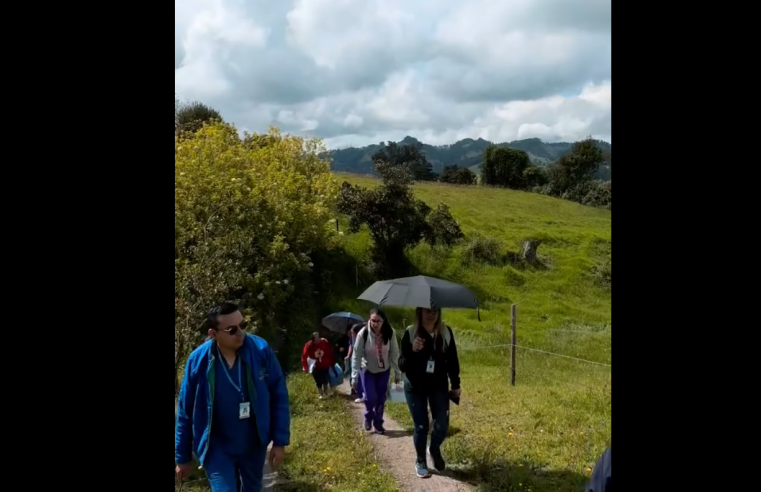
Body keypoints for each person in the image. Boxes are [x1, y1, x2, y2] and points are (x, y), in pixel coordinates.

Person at [175, 302, 290, 492]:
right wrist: (182, 457)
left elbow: (279, 396)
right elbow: (185, 410)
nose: (240, 333)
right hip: (216, 447)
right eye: (232, 329)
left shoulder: (260, 351)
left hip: (253, 444)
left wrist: (279, 441)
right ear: (213, 334)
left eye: (243, 325)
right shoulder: (198, 361)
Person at [398, 307, 460, 478]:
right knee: (421, 425)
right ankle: (420, 460)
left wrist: (456, 384)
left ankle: (433, 449)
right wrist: (412, 350)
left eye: (435, 311)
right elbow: (402, 364)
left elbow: (453, 360)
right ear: (420, 312)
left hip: (438, 385)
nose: (432, 314)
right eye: (428, 311)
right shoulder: (411, 333)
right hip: (415, 386)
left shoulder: (445, 332)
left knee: (442, 425)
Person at [351, 307, 400, 434]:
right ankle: (368, 416)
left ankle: (378, 423)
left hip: (384, 370)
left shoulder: (390, 332)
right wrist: (354, 375)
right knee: (370, 397)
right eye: (373, 320)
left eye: (378, 321)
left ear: (383, 321)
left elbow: (395, 352)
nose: (375, 324)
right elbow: (356, 354)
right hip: (367, 369)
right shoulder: (363, 333)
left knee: (381, 398)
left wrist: (397, 372)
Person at [301, 331, 336, 399]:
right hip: (315, 365)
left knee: (325, 379)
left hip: (324, 364)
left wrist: (332, 362)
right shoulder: (309, 345)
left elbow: (330, 352)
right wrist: (305, 366)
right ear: (313, 339)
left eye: (318, 337)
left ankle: (326, 392)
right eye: (315, 338)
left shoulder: (324, 342)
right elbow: (304, 355)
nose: (317, 339)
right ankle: (320, 393)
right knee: (318, 380)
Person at [346, 323, 365, 402]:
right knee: (357, 377)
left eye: (352, 332)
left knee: (362, 378)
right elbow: (352, 348)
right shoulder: (353, 339)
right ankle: (359, 393)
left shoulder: (363, 338)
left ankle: (362, 395)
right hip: (357, 359)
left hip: (363, 361)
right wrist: (348, 355)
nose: (351, 334)